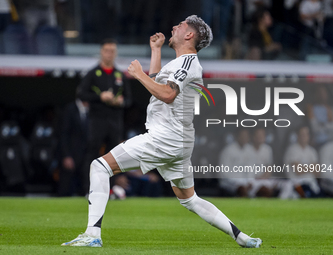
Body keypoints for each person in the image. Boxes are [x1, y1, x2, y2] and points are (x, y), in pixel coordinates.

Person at [62, 15, 262, 248]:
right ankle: (241, 237)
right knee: (190, 199)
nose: (174, 27)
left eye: (181, 25)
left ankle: (92, 235)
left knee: (100, 166)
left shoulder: (188, 63)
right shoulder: (179, 63)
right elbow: (158, 85)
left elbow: (167, 95)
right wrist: (155, 51)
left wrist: (138, 75)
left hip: (166, 137)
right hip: (178, 141)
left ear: (189, 35)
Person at [76, 38, 131, 194]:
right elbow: (81, 94)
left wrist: (121, 102)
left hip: (115, 122)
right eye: (107, 51)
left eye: (112, 51)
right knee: (92, 155)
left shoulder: (120, 75)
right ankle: (89, 189)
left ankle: (111, 189)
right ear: (101, 52)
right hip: (97, 121)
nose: (109, 54)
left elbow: (129, 99)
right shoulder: (93, 73)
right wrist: (100, 97)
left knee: (114, 157)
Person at [57, 99, 89, 196]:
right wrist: (66, 155)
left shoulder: (93, 110)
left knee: (85, 188)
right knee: (65, 188)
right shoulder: (69, 109)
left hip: (86, 155)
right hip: (71, 154)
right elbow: (63, 134)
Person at [218, 128, 255, 197]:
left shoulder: (250, 150)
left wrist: (250, 181)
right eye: (243, 135)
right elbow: (224, 173)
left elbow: (251, 169)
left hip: (245, 182)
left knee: (263, 190)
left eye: (246, 136)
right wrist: (237, 183)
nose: (245, 138)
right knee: (242, 189)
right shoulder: (228, 150)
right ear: (237, 136)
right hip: (229, 182)